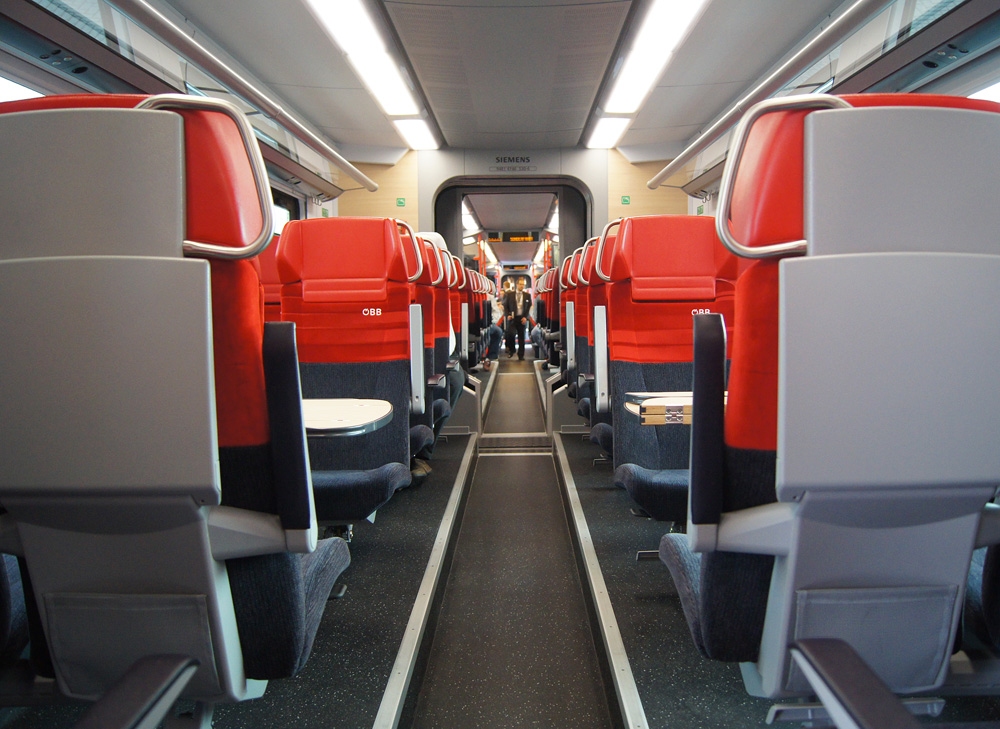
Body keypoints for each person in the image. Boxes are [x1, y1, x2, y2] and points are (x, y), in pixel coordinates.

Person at [503, 276, 532, 360]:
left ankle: (521, 355)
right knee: (511, 334)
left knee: (521, 337)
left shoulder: (527, 296)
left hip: (522, 318)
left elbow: (528, 307)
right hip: (512, 317)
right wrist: (507, 314)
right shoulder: (510, 295)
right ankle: (512, 350)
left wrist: (525, 317)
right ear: (517, 285)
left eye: (523, 285)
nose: (522, 286)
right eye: (520, 284)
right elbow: (506, 306)